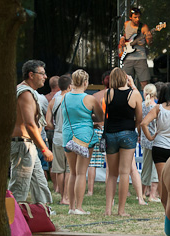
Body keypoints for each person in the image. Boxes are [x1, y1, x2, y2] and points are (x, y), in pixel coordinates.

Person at [9, 60, 53, 205]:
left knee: (40, 183)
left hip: (27, 145)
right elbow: (29, 124)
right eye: (42, 74)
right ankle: (12, 215)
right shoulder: (25, 93)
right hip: (23, 145)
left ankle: (44, 211)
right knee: (19, 188)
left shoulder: (24, 91)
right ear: (31, 75)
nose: (45, 77)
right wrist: (44, 149)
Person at [61, 69, 104, 215]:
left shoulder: (64, 97)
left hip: (68, 136)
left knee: (72, 172)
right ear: (85, 82)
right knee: (81, 173)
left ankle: (71, 207)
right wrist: (89, 119)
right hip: (84, 137)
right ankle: (79, 207)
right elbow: (100, 117)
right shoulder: (89, 99)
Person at [103, 68, 143, 216]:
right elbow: (139, 118)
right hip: (127, 132)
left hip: (111, 134)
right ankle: (121, 210)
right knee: (125, 173)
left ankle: (108, 209)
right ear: (126, 78)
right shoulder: (134, 94)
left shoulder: (108, 93)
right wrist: (132, 85)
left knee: (112, 174)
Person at [46, 74, 72, 204]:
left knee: (59, 169)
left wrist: (56, 127)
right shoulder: (72, 100)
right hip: (71, 136)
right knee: (69, 169)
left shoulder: (53, 101)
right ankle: (67, 197)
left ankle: (62, 197)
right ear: (69, 86)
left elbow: (48, 123)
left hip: (57, 136)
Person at [119, 6, 153, 87]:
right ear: (130, 17)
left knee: (144, 82)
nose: (137, 19)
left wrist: (150, 38)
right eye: (135, 17)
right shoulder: (126, 24)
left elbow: (149, 44)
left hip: (140, 57)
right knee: (125, 82)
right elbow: (125, 34)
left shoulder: (144, 27)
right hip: (127, 57)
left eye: (139, 17)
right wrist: (122, 38)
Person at [140, 83, 160, 203]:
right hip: (156, 139)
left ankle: (142, 193)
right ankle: (153, 194)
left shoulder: (142, 106)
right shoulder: (157, 107)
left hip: (145, 139)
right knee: (155, 168)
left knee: (145, 167)